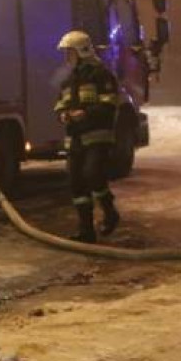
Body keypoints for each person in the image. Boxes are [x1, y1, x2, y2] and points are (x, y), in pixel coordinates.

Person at [54, 30, 121, 243]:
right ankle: (86, 230)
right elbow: (60, 103)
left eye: (69, 53)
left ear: (82, 51)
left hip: (97, 135)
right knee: (76, 182)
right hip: (75, 137)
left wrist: (87, 113)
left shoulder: (101, 74)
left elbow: (110, 102)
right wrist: (63, 114)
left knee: (93, 174)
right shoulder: (69, 79)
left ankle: (110, 213)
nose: (67, 58)